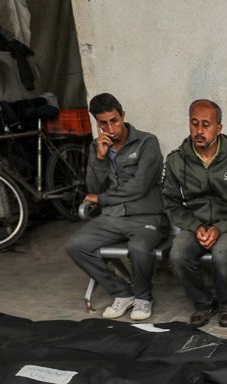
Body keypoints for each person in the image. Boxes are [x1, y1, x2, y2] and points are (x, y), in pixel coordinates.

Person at [64, 92, 166, 321]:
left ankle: (143, 297)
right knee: (75, 245)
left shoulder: (147, 142)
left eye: (114, 121)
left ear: (123, 116)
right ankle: (122, 292)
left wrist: (102, 200)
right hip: (112, 218)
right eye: (103, 123)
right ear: (97, 124)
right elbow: (92, 187)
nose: (111, 128)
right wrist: (100, 159)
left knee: (139, 248)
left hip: (145, 215)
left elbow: (140, 187)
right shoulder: (96, 147)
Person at [161, 100, 227, 328]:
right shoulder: (176, 160)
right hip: (197, 225)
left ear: (219, 128)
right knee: (177, 254)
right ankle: (204, 303)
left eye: (206, 124)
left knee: (223, 253)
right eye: (194, 124)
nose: (199, 131)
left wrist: (221, 228)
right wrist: (196, 226)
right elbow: (171, 202)